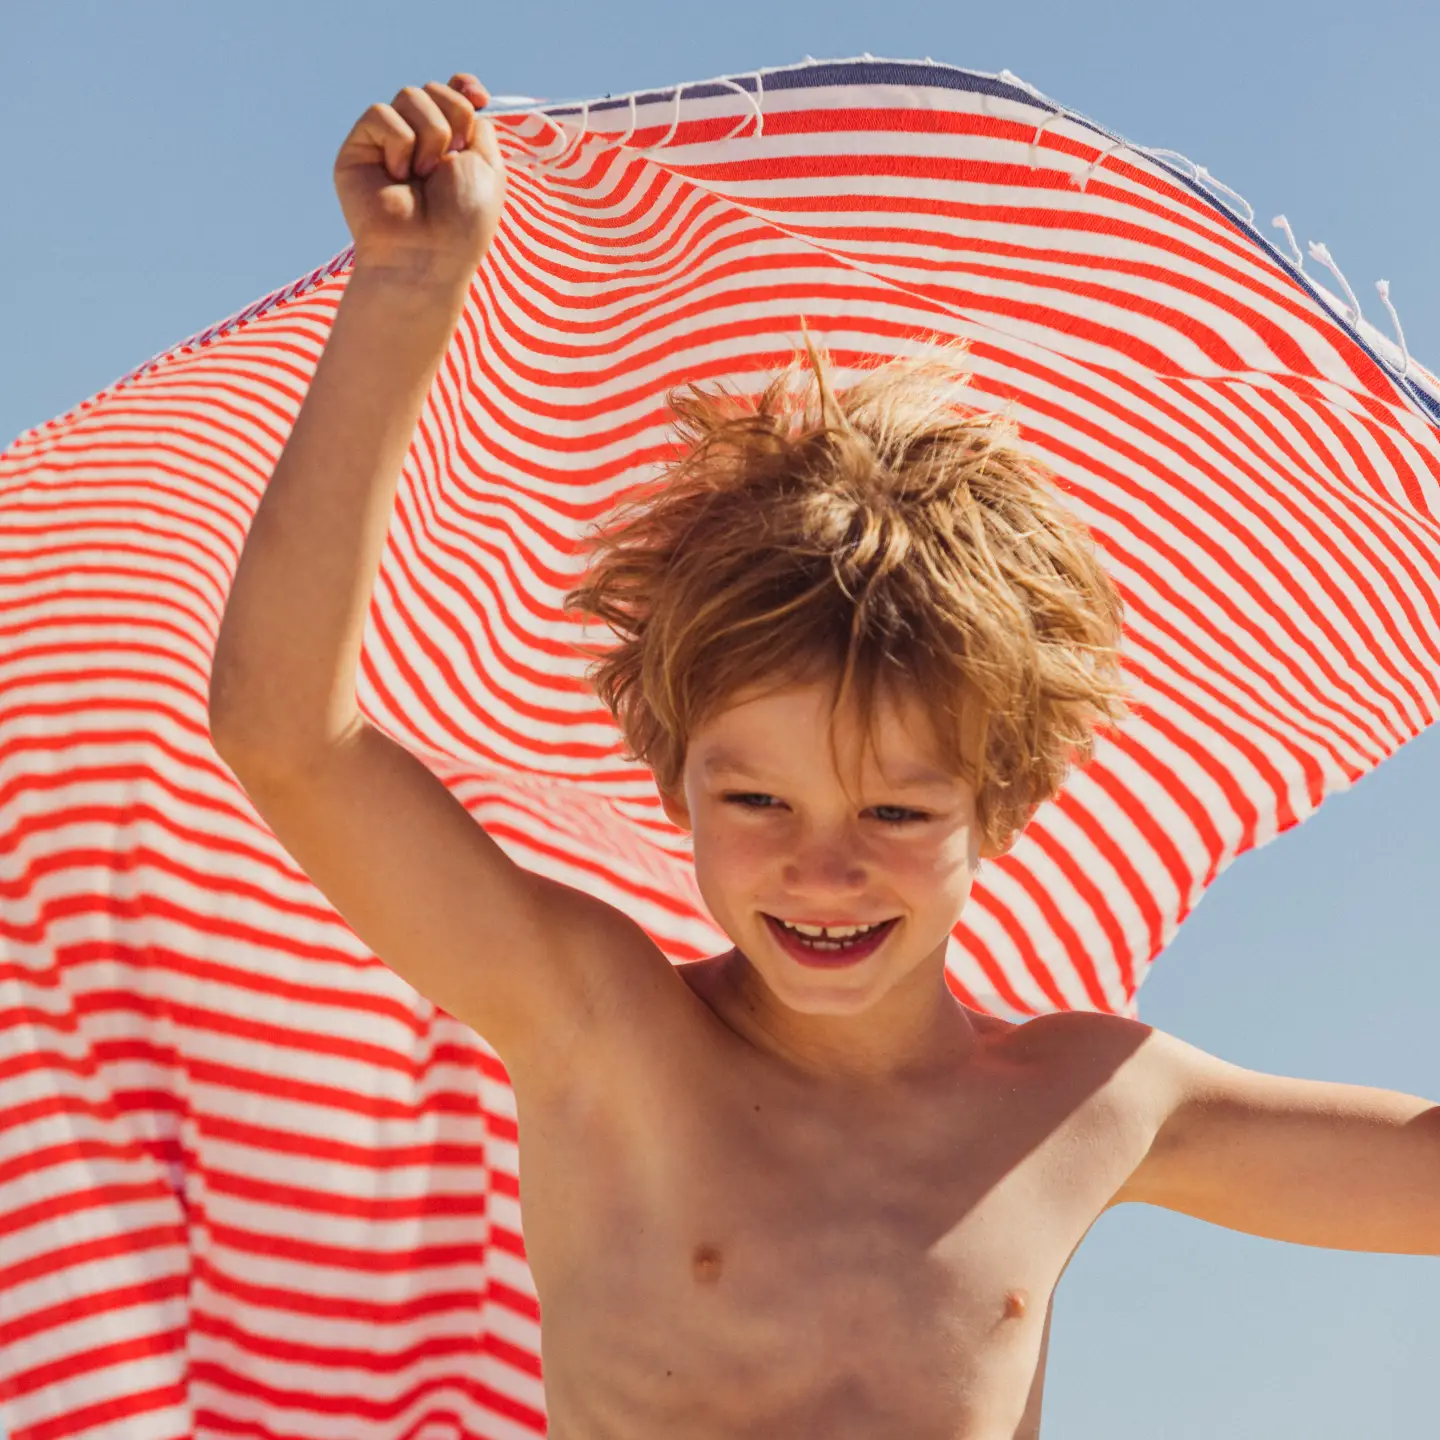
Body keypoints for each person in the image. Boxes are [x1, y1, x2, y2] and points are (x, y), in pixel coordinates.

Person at [205, 73, 1440, 1439]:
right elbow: (289, 738)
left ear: (1005, 805)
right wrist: (406, 294)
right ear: (675, 776)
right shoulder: (604, 1031)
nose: (823, 864)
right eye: (756, 798)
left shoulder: (1087, 1101)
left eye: (901, 812)